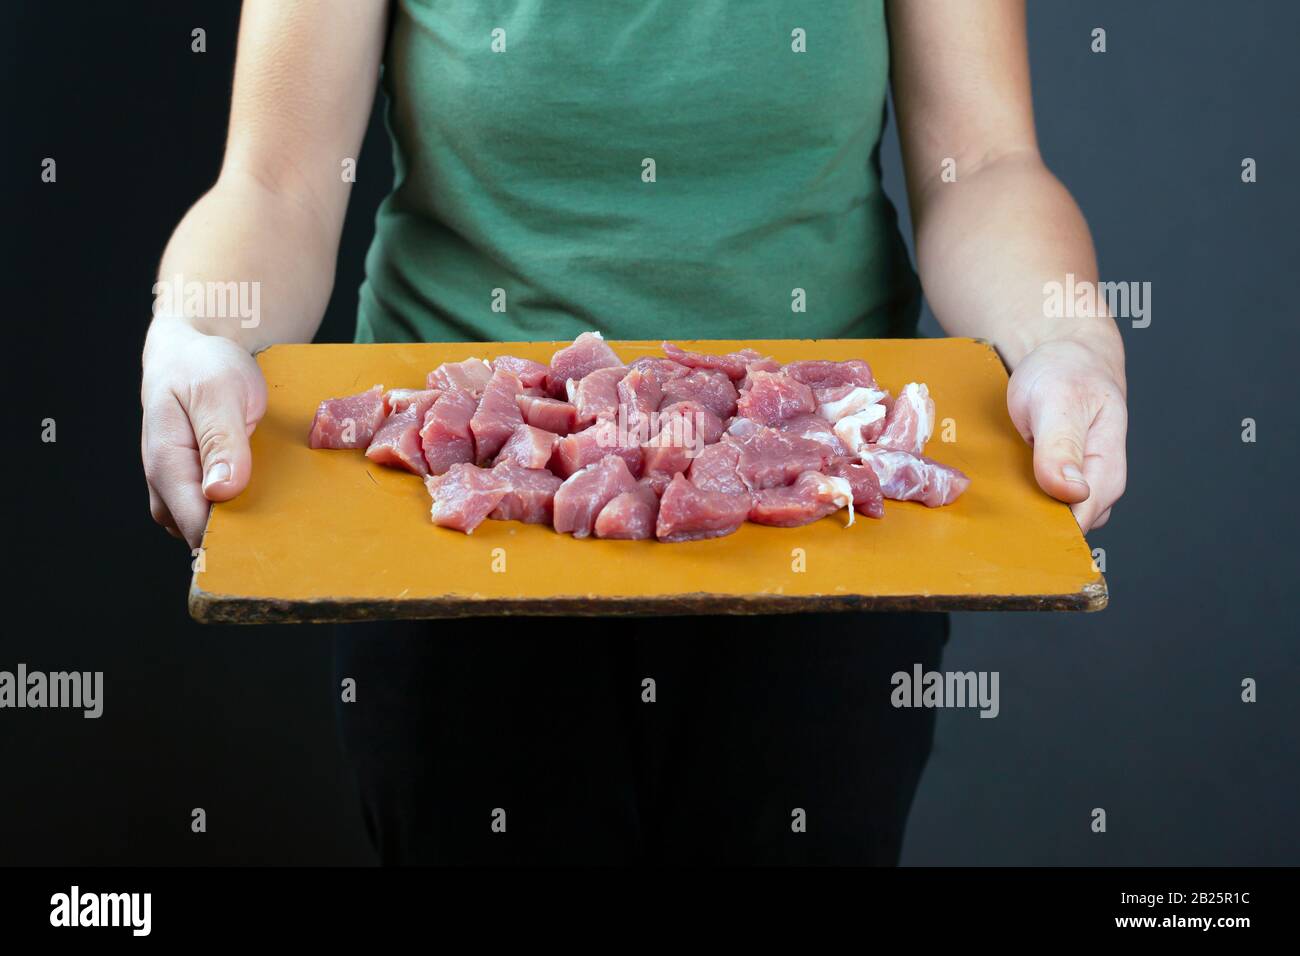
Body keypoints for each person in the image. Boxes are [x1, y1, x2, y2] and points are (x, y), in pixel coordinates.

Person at [141, 0, 1126, 865]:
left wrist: (1062, 338)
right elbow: (275, 180)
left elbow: (986, 166)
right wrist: (199, 330)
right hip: (452, 533)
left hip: (821, 531)